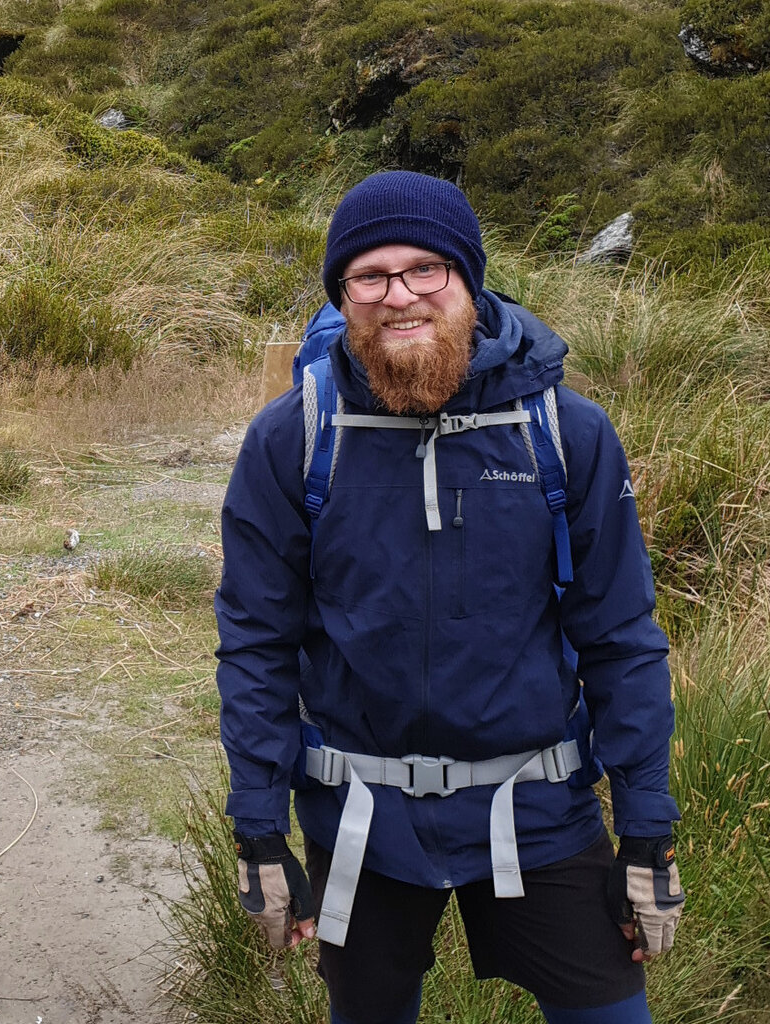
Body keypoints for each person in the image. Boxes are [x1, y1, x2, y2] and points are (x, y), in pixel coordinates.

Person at [214, 171, 684, 1024]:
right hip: (361, 824)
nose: (400, 296)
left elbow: (621, 636)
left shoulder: (565, 433)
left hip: (539, 809)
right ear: (343, 295)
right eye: (370, 275)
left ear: (468, 278)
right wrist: (257, 828)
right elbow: (255, 642)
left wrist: (647, 828)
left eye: (426, 269)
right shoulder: (292, 439)